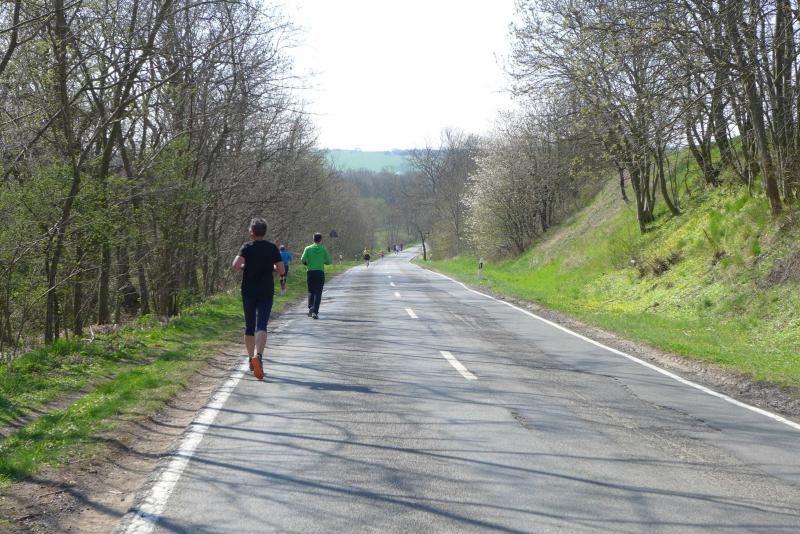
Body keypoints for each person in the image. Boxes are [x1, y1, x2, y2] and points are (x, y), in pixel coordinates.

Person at [231, 218, 284, 380]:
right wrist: (272, 267)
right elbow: (281, 270)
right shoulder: (272, 248)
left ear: (252, 232)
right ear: (264, 232)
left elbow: (235, 265)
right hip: (266, 290)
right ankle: (258, 356)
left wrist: (245, 266)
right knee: (262, 325)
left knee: (249, 326)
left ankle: (250, 358)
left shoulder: (247, 247)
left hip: (248, 291)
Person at [301, 233, 331, 319]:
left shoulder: (308, 248)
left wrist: (307, 263)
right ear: (320, 240)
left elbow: (303, 259)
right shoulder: (323, 249)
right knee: (318, 293)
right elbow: (329, 261)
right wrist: (322, 261)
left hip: (310, 272)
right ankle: (315, 312)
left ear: (313, 239)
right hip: (320, 272)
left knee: (311, 291)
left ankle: (311, 306)